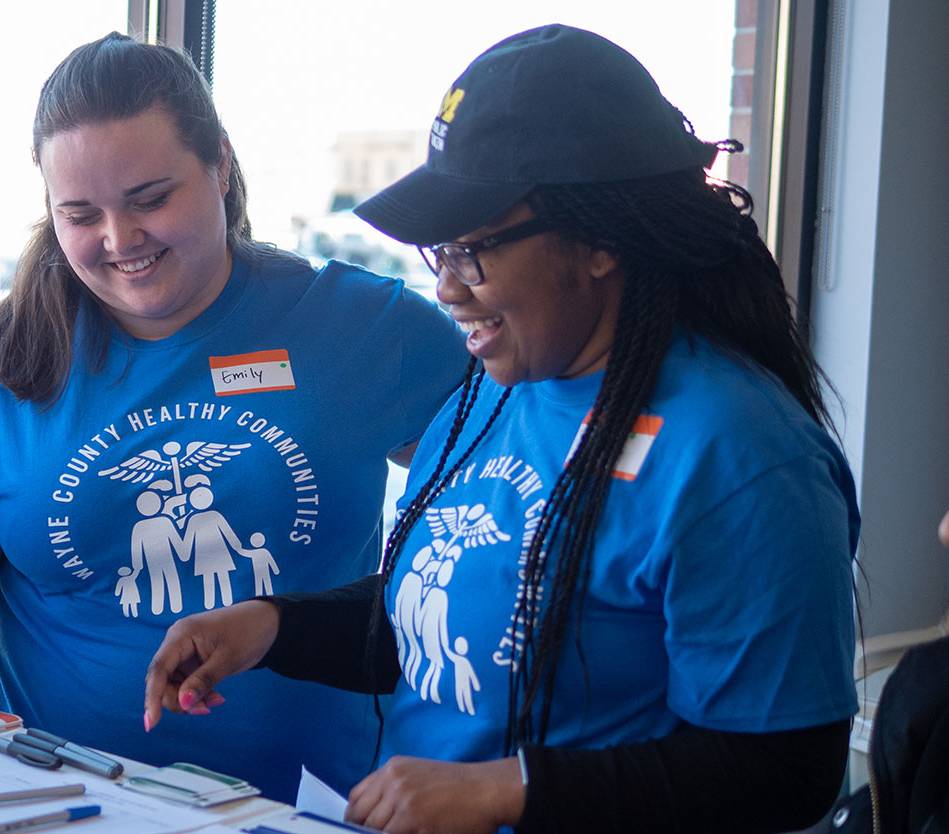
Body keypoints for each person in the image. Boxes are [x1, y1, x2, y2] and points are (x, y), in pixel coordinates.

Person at [144, 24, 860, 834]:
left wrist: (509, 789)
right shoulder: (493, 392)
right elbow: (457, 611)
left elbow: (788, 771)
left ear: (597, 240)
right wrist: (273, 625)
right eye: (437, 250)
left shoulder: (736, 453)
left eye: (473, 249)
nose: (447, 288)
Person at [0, 32, 468, 802]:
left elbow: (509, 507)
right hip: (61, 799)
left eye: (150, 199)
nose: (120, 240)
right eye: (81, 214)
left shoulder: (369, 328)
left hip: (309, 804)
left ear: (220, 163)